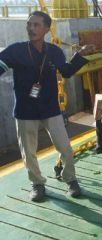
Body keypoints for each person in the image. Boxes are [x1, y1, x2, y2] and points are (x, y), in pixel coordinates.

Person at [0, 11, 95, 201]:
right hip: (25, 111)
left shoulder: (54, 51)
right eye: (29, 24)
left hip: (50, 108)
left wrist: (80, 55)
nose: (31, 28)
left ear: (46, 29)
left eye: (36, 25)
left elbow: (66, 72)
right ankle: (37, 184)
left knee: (65, 148)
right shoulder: (15, 50)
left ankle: (70, 179)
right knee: (29, 152)